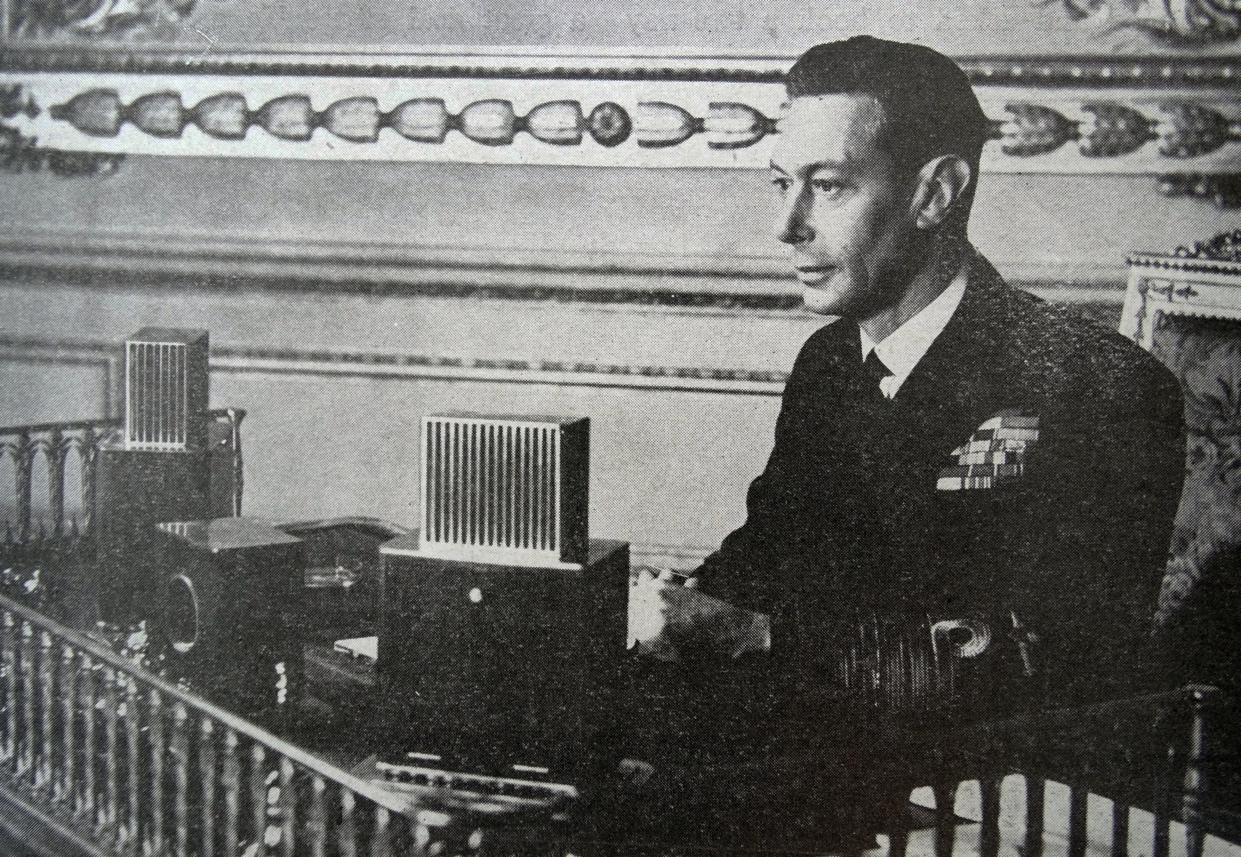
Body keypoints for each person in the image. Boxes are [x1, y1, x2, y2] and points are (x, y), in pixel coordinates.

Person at [593, 34, 1186, 852]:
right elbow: (767, 555)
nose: (784, 227)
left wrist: (746, 633)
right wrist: (644, 615)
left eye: (826, 187)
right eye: (779, 184)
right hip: (807, 755)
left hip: (979, 800)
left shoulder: (1094, 387)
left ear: (935, 192)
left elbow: (1042, 663)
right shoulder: (830, 360)